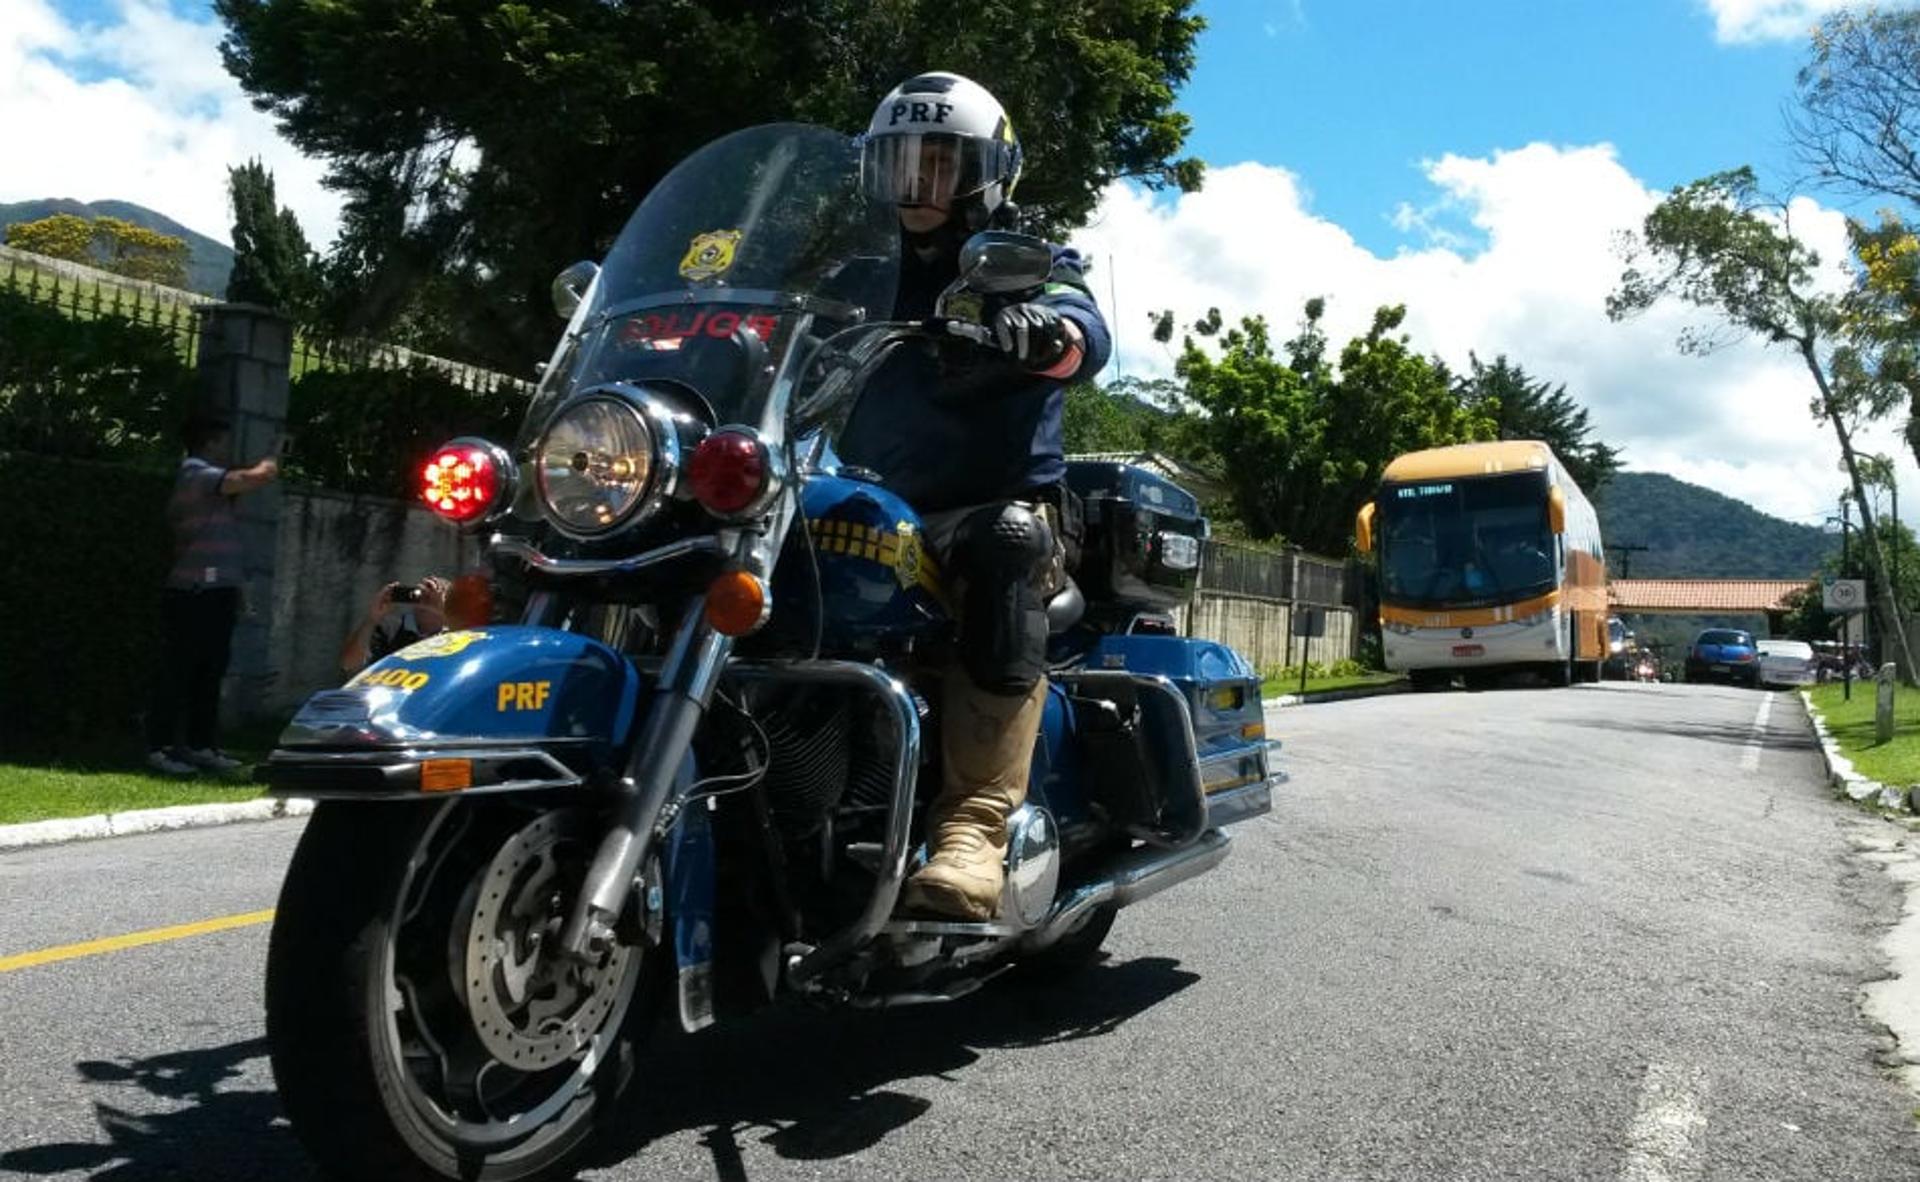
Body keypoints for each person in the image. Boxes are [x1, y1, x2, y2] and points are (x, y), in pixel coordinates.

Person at [836, 72, 1112, 921]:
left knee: (1009, 540)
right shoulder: (851, 273)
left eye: (940, 165)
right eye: (899, 167)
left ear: (989, 175)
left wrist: (1048, 331)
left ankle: (972, 829)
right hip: (861, 503)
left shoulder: (1028, 266)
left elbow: (1084, 331)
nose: (916, 186)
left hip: (986, 512)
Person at [145, 414, 279, 775]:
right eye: (223, 443)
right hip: (192, 592)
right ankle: (161, 747)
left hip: (216, 591)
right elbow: (251, 479)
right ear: (208, 442)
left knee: (209, 671)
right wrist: (271, 458)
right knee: (180, 670)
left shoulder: (206, 481)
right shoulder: (195, 473)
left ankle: (201, 745)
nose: (227, 450)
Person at [339, 573, 492, 672]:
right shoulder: (390, 628)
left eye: (434, 594)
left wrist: (446, 614)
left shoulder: (454, 635)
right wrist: (372, 618)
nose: (424, 599)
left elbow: (470, 662)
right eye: (421, 592)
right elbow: (349, 664)